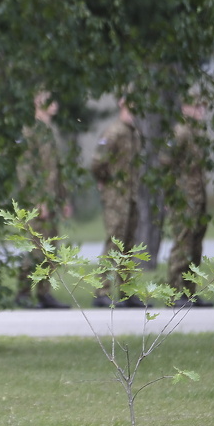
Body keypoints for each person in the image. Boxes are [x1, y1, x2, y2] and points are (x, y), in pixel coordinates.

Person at [15, 91, 70, 309]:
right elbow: (25, 168)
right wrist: (38, 199)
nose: (55, 104)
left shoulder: (50, 130)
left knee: (51, 247)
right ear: (37, 100)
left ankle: (44, 292)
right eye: (50, 99)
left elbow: (56, 168)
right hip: (37, 200)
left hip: (52, 198)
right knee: (35, 246)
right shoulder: (30, 129)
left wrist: (63, 198)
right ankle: (23, 292)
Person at [90, 97, 145, 308]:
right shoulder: (113, 132)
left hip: (131, 196)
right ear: (123, 104)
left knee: (129, 245)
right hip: (116, 196)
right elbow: (97, 162)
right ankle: (101, 291)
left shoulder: (135, 133)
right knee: (114, 242)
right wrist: (106, 181)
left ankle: (127, 291)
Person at [163, 97, 213, 308]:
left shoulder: (197, 134)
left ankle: (189, 291)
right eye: (196, 105)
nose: (200, 110)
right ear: (185, 107)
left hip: (198, 197)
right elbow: (165, 162)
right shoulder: (180, 132)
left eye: (202, 106)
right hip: (183, 198)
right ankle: (175, 293)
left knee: (195, 245)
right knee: (182, 244)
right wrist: (170, 194)